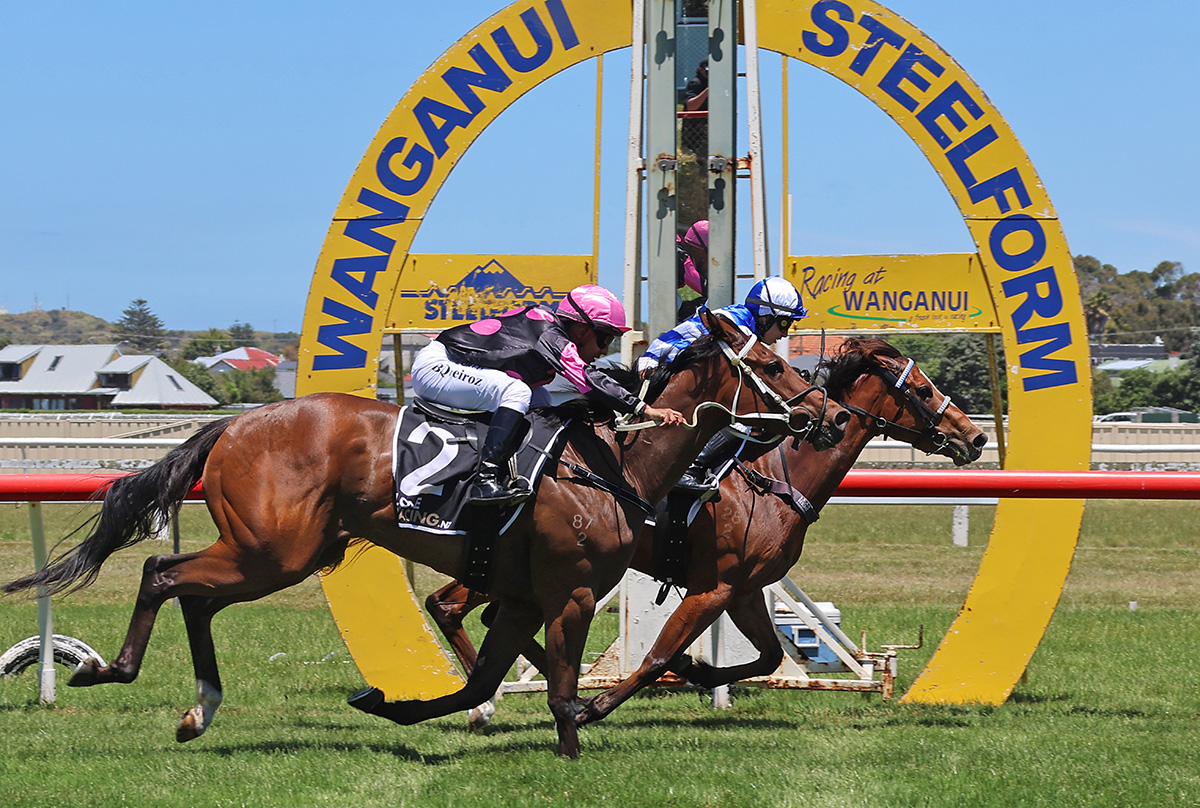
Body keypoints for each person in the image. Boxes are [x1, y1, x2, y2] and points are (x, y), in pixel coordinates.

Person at [411, 284, 686, 504]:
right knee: (516, 391)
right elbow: (588, 380)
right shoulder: (552, 337)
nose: (605, 350)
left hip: (454, 366)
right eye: (606, 338)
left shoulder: (551, 331)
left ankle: (517, 471)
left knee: (541, 400)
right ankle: (484, 481)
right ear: (581, 330)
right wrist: (643, 409)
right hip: (437, 366)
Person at [636, 276, 808, 491]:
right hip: (658, 373)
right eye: (784, 323)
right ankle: (691, 468)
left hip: (671, 372)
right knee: (743, 416)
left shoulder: (745, 324)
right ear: (765, 317)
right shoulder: (739, 329)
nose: (785, 333)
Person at [676, 219, 709, 321]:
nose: (705, 259)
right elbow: (702, 286)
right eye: (707, 253)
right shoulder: (680, 255)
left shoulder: (681, 246)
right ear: (698, 249)